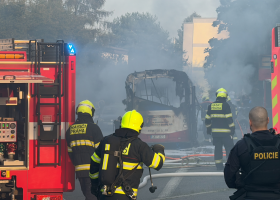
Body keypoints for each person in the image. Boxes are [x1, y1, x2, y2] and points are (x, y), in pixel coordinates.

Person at [90, 110, 165, 200]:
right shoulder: (140, 146)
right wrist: (159, 150)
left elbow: (94, 165)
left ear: (121, 123)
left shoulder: (106, 141)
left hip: (104, 195)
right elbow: (158, 164)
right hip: (126, 196)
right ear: (140, 127)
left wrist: (95, 187)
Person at [224, 106, 280, 200]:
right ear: (268, 120)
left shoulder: (241, 145)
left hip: (249, 195)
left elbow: (229, 177)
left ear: (250, 122)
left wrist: (242, 182)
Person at [66, 100, 103, 200]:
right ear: (90, 112)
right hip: (93, 171)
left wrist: (78, 164)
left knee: (88, 195)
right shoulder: (94, 128)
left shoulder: (70, 130)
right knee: (93, 196)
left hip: (80, 171)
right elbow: (102, 151)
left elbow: (70, 153)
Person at [205, 88, 235, 170]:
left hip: (215, 134)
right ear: (225, 96)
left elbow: (207, 119)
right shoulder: (226, 105)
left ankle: (219, 166)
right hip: (226, 134)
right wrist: (232, 128)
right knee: (229, 149)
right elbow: (229, 119)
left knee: (218, 149)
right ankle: (230, 165)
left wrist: (208, 129)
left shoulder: (211, 105)